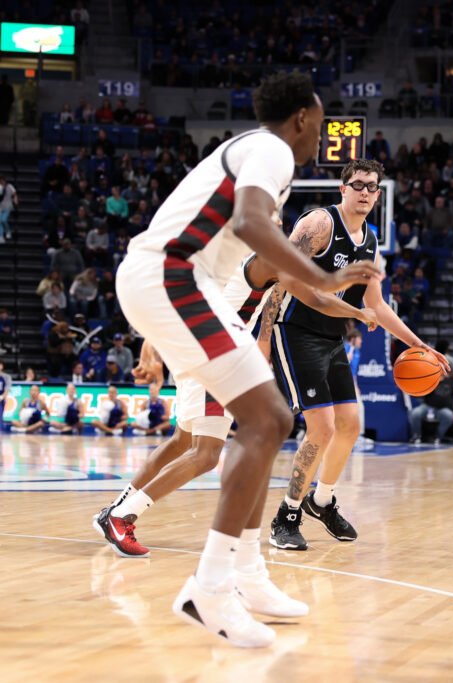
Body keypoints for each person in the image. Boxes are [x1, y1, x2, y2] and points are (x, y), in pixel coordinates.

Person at [110, 71, 384, 647]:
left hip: (189, 284)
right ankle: (211, 588)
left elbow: (258, 258)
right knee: (254, 426)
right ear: (302, 118)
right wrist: (327, 276)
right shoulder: (270, 149)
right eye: (322, 118)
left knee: (266, 424)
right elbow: (251, 227)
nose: (325, 133)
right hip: (170, 277)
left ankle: (248, 576)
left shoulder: (259, 157)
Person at [94, 251, 375, 558]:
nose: (279, 230)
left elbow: (177, 301)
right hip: (212, 357)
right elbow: (316, 296)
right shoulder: (262, 260)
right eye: (272, 220)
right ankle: (122, 516)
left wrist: (151, 350)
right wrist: (359, 311)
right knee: (206, 454)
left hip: (198, 352)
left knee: (181, 441)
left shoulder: (216, 260)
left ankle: (115, 507)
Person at [259, 158, 448, 552]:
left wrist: (417, 344)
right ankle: (286, 515)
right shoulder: (318, 225)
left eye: (371, 187)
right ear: (342, 189)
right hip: (293, 330)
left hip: (330, 337)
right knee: (322, 428)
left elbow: (375, 305)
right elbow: (279, 280)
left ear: (378, 195)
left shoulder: (371, 241)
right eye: (357, 184)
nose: (364, 192)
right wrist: (262, 342)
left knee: (349, 425)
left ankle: (322, 501)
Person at [408, 369, 453, 446]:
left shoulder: (450, 382)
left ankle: (438, 437)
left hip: (443, 408)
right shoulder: (430, 380)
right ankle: (417, 436)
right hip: (428, 406)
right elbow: (420, 393)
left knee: (449, 416)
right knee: (415, 413)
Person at [0, 175, 17, 241]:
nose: (2, 182)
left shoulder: (10, 186)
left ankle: (8, 231)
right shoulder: (0, 187)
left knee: (3, 220)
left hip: (8, 206)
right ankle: (1, 236)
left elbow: (14, 193)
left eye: (2, 180)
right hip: (0, 206)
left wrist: (15, 199)